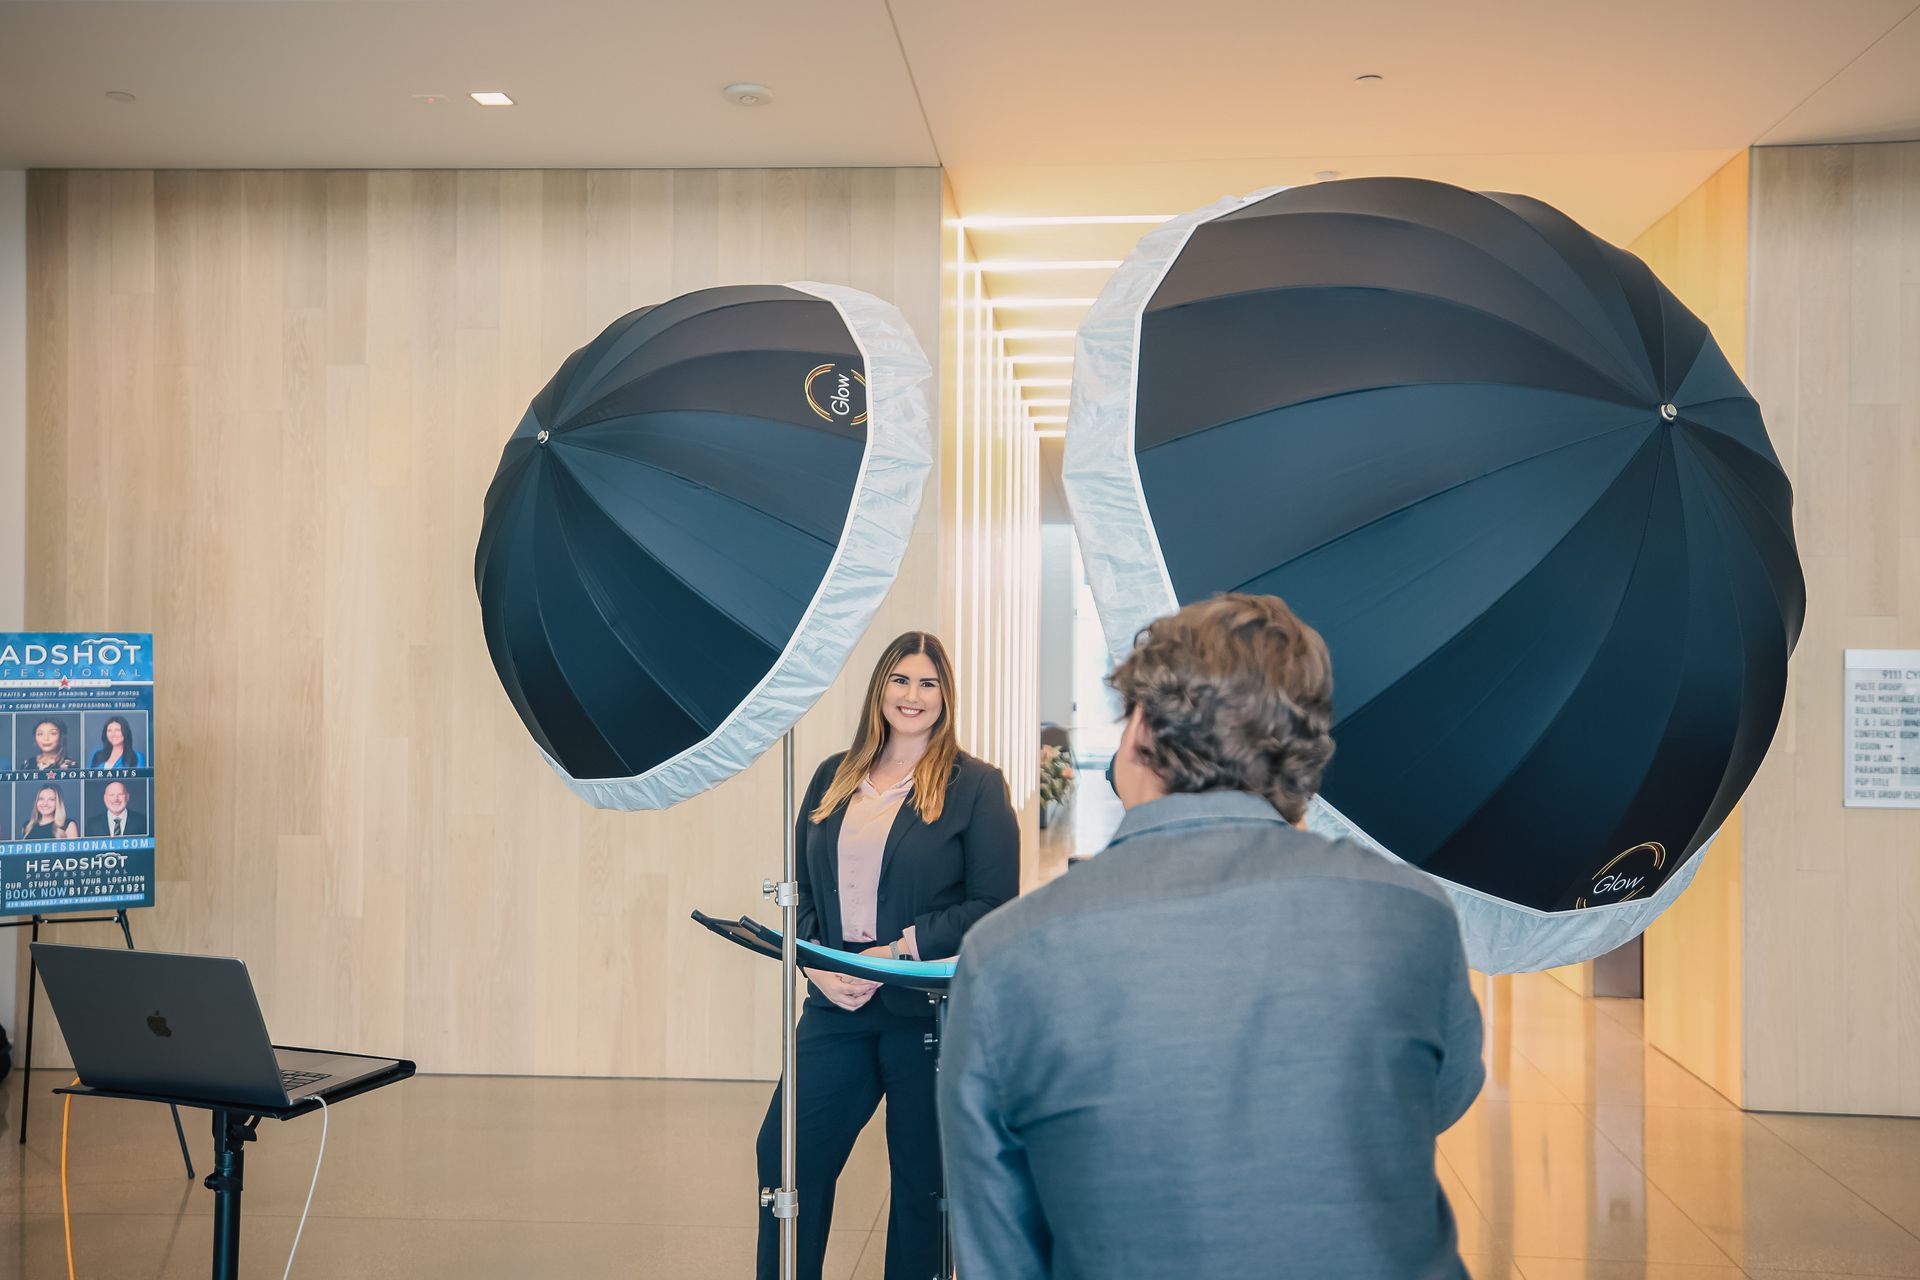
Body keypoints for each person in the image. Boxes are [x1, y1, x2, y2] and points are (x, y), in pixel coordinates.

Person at [938, 594, 1486, 1279]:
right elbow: (1437, 1098)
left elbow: (998, 1248)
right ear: (1301, 755)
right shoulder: (1414, 914)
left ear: (1139, 729)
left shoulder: (1007, 954)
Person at [755, 631, 1020, 1280]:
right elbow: (806, 892)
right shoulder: (831, 775)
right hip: (835, 1007)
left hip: (925, 1013)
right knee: (787, 1159)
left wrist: (896, 948)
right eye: (901, 680)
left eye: (927, 683)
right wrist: (815, 962)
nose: (912, 694)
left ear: (945, 696)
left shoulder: (976, 785)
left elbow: (993, 902)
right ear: (880, 689)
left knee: (923, 1186)